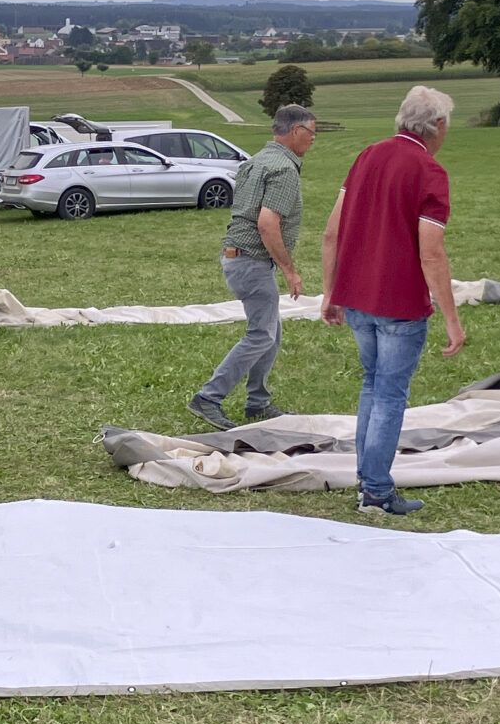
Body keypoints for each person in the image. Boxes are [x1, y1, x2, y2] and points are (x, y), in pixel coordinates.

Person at [319, 86, 464, 517]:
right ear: (438, 125)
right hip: (399, 305)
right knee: (389, 394)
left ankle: (368, 478)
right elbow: (431, 253)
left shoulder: (367, 156)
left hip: (356, 297)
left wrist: (331, 291)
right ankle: (377, 491)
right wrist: (453, 320)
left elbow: (332, 232)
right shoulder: (429, 171)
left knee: (372, 384)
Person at [188, 104, 317, 430]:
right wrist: (289, 270)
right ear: (296, 131)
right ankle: (208, 397)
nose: (313, 140)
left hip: (238, 257)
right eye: (311, 133)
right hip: (251, 261)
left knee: (271, 333)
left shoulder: (255, 161)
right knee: (261, 335)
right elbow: (267, 224)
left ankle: (257, 402)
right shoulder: (284, 170)